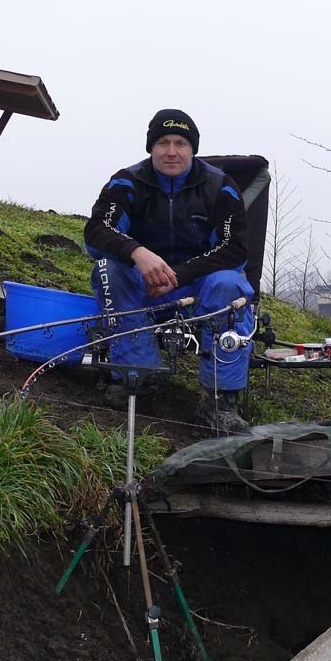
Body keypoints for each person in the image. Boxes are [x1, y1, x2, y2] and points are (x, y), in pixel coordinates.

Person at [84, 109, 254, 434]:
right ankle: (138, 378)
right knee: (108, 269)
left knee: (230, 284)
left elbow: (235, 249)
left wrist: (181, 273)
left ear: (193, 149)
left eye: (180, 143)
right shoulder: (126, 182)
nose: (171, 151)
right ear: (151, 147)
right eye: (163, 142)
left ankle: (219, 399)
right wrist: (137, 253)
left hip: (198, 285)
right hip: (143, 282)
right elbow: (96, 231)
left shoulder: (221, 186)